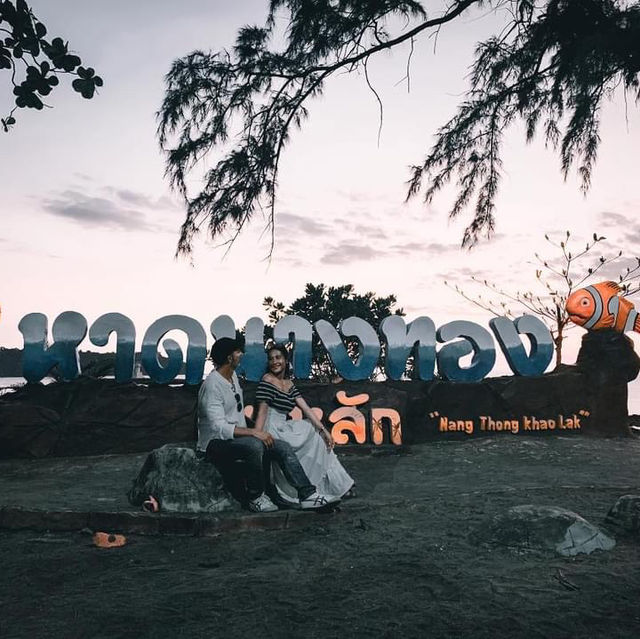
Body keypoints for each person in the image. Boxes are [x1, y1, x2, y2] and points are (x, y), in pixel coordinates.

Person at [197, 337, 338, 513]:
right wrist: (254, 433)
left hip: (236, 438)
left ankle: (307, 495)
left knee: (282, 446)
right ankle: (255, 497)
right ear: (229, 358)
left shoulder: (231, 377)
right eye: (237, 352)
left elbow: (236, 414)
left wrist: (255, 432)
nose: (241, 354)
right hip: (214, 444)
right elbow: (219, 427)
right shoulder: (212, 385)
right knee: (255, 444)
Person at [253, 344, 356, 507]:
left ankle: (336, 487)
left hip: (283, 426)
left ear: (285, 361)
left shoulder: (288, 384)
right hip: (271, 428)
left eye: (278, 357)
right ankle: (333, 488)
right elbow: (262, 412)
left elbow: (306, 408)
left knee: (317, 435)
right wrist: (257, 436)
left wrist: (325, 431)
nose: (274, 362)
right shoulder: (267, 380)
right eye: (271, 358)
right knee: (312, 434)